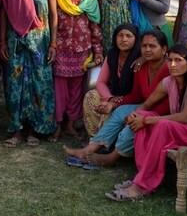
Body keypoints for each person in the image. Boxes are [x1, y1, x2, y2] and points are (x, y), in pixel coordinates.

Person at [106, 43, 187, 201]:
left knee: (159, 124)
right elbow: (146, 105)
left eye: (178, 60)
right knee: (143, 116)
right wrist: (135, 115)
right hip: (186, 132)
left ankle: (141, 186)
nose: (172, 65)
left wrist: (147, 120)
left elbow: (184, 117)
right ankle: (143, 176)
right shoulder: (169, 82)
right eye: (169, 60)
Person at [64, 30, 170, 168]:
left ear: (164, 49)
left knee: (134, 120)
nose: (147, 50)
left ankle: (112, 157)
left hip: (163, 112)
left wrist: (139, 112)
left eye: (152, 46)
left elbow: (169, 103)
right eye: (144, 46)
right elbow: (136, 96)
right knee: (121, 112)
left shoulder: (169, 68)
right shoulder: (141, 67)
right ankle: (88, 150)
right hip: (145, 106)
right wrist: (112, 104)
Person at [0, 0, 58, 146]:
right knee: (16, 85)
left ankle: (35, 129)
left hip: (40, 43)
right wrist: (3, 42)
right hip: (16, 42)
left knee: (39, 85)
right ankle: (17, 129)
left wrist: (53, 44)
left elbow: (53, 16)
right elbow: (4, 13)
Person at [51, 0, 103, 141]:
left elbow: (94, 22)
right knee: (59, 89)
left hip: (82, 49)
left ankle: (71, 125)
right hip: (61, 46)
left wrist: (97, 50)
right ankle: (57, 125)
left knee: (76, 89)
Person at [81, 24, 140, 137]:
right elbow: (101, 82)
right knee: (91, 96)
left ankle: (102, 143)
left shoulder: (139, 58)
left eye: (129, 36)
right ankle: (94, 137)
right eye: (120, 35)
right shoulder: (113, 54)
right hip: (114, 95)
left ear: (136, 39)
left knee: (108, 111)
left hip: (132, 99)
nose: (124, 39)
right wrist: (110, 98)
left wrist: (113, 103)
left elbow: (138, 93)